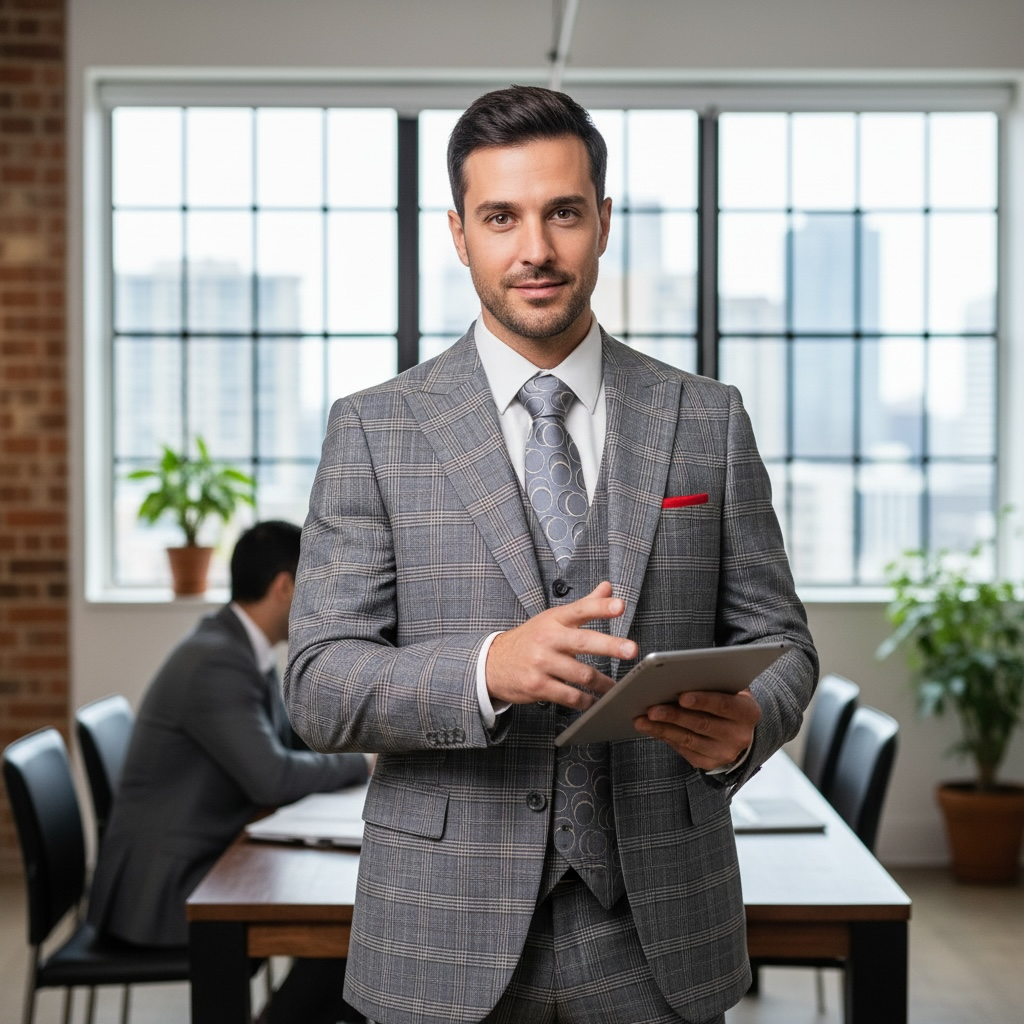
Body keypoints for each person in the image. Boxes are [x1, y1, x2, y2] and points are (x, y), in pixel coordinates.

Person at [285, 86, 818, 1024]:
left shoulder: (706, 419)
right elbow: (319, 687)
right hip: (439, 933)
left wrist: (751, 724)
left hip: (662, 928)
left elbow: (784, 642)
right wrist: (491, 668)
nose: (535, 249)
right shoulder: (374, 429)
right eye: (501, 217)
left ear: (602, 222)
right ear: (459, 233)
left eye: (562, 212)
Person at [88, 519, 368, 1024]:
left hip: (201, 859)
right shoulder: (216, 661)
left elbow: (288, 745)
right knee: (351, 940)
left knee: (347, 932)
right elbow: (274, 778)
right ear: (285, 587)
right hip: (166, 893)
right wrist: (363, 762)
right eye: (318, 584)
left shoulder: (239, 647)